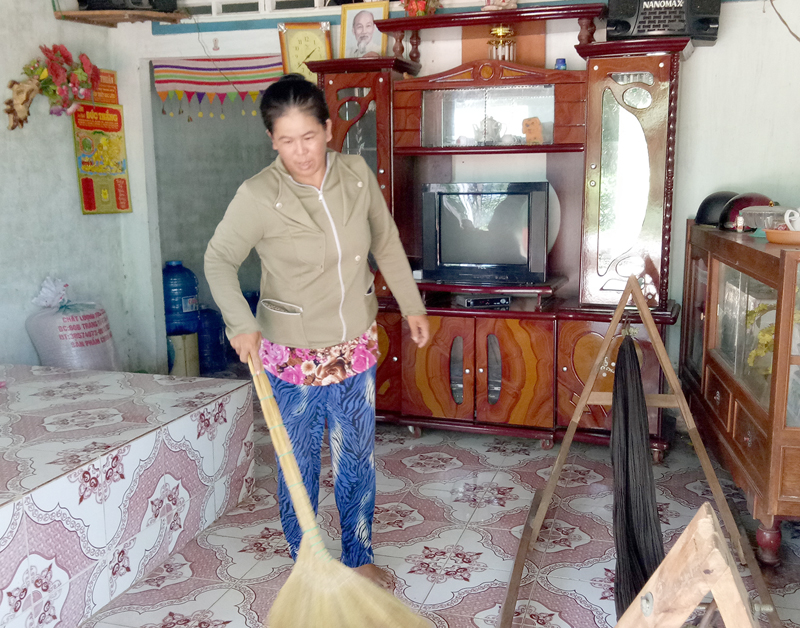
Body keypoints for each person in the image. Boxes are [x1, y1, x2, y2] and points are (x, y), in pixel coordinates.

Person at [204, 74, 429, 589]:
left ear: (328, 129)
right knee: (298, 464)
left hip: (354, 347)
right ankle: (306, 563)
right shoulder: (258, 195)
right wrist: (241, 323)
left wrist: (411, 304)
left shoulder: (356, 175)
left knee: (356, 457)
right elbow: (218, 260)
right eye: (286, 140)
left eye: (308, 136)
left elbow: (385, 241)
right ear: (272, 140)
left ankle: (358, 555)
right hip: (292, 354)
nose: (300, 152)